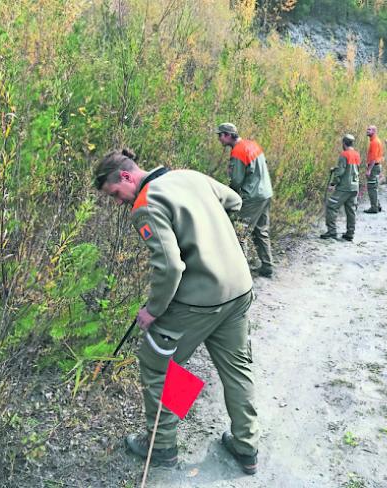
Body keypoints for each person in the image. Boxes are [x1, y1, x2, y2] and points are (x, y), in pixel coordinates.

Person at [93, 149, 260, 475]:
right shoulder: (189, 176)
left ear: (127, 177)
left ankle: (162, 446)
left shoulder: (146, 206)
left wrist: (153, 311)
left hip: (200, 301)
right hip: (239, 289)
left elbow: (170, 267)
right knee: (238, 370)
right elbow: (235, 201)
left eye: (115, 194)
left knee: (159, 365)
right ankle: (247, 446)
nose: (118, 202)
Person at [216, 123, 274, 278]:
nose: (219, 139)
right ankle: (267, 267)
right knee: (261, 231)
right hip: (266, 193)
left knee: (240, 233)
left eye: (220, 135)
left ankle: (240, 275)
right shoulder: (252, 144)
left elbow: (236, 181)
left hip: (253, 197)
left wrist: (227, 199)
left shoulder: (238, 151)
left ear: (228, 135)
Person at [320, 134, 360, 241]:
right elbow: (352, 169)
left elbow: (341, 172)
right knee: (351, 210)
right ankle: (350, 233)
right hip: (354, 186)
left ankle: (332, 232)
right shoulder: (356, 154)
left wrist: (333, 183)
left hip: (344, 187)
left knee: (331, 206)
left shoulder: (344, 154)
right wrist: (336, 168)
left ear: (344, 143)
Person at [364, 125, 383, 214]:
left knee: (371, 188)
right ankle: (377, 205)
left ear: (374, 131)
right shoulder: (374, 141)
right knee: (374, 187)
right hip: (376, 166)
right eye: (367, 129)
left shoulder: (374, 142)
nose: (367, 131)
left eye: (369, 129)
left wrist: (369, 170)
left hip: (374, 167)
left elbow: (374, 158)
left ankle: (374, 207)